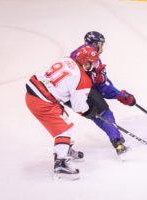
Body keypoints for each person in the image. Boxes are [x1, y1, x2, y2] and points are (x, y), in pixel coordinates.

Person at [25, 45, 109, 179]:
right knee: (64, 129)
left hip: (35, 91)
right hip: (42, 101)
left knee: (64, 117)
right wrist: (90, 111)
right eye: (92, 62)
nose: (93, 65)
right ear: (86, 62)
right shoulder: (83, 79)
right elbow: (78, 107)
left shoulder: (67, 60)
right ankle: (60, 163)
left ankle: (64, 147)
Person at [70, 31, 136, 155]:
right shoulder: (91, 57)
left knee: (95, 115)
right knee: (105, 112)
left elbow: (100, 82)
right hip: (83, 90)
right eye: (101, 44)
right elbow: (101, 86)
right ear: (96, 44)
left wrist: (119, 94)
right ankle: (118, 143)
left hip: (69, 94)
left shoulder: (80, 52)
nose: (102, 47)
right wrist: (120, 95)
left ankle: (114, 133)